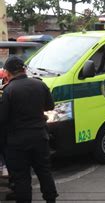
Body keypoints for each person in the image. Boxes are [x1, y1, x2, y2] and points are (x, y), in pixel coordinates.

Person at [0, 57, 58, 202]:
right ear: (24, 69)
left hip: (17, 142)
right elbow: (50, 106)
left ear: (7, 72)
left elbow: (2, 118)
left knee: (21, 177)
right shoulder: (39, 85)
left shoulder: (8, 91)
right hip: (40, 136)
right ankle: (51, 200)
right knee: (44, 172)